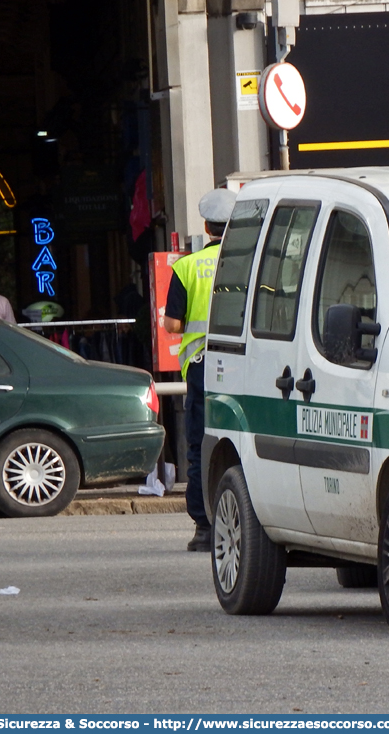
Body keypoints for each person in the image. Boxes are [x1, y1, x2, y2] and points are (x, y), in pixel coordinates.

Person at [163, 188, 235, 552]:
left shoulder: (187, 267)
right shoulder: (249, 262)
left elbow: (173, 325)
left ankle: (205, 528)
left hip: (202, 367)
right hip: (244, 366)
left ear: (206, 226)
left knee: (199, 446)